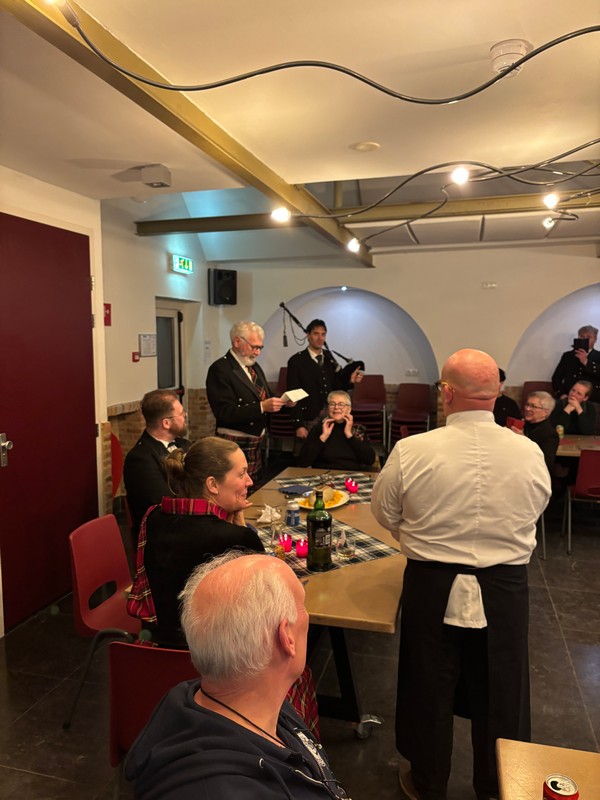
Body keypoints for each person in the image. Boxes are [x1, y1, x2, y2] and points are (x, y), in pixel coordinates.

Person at [371, 349, 551, 800]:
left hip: (432, 581)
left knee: (428, 683)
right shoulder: (528, 452)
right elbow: (536, 508)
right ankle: (496, 787)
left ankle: (428, 782)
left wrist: (418, 534)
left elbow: (385, 512)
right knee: (502, 687)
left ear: (447, 393)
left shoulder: (412, 450)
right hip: (505, 586)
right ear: (498, 393)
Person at [124, 552, 348, 799]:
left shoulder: (239, 700)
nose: (308, 616)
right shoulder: (218, 791)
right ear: (287, 637)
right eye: (302, 605)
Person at [127, 437, 264, 648]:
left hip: (155, 651)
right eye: (241, 474)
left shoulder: (152, 518)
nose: (249, 481)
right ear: (212, 484)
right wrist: (242, 529)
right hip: (216, 657)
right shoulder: (237, 538)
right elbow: (263, 606)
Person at [206, 321, 289, 480]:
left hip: (256, 441)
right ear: (237, 342)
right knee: (235, 486)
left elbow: (265, 396)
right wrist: (261, 407)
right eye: (254, 347)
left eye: (260, 348)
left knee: (254, 485)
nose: (257, 353)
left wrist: (284, 402)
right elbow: (224, 412)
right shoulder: (220, 369)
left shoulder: (254, 367)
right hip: (234, 441)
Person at [124, 389, 191, 541]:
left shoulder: (185, 445)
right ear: (166, 423)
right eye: (181, 414)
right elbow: (165, 507)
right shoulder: (140, 459)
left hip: (185, 523)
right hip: (162, 537)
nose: (185, 416)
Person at [286, 318, 363, 439]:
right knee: (309, 450)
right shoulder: (296, 361)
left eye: (323, 334)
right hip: (309, 416)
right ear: (308, 335)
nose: (320, 338)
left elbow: (337, 387)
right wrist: (298, 425)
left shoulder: (328, 357)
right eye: (316, 334)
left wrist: (351, 381)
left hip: (330, 416)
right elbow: (293, 395)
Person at [297, 390, 375, 470]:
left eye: (341, 404)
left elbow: (369, 460)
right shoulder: (318, 429)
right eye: (332, 404)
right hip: (323, 474)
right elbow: (303, 462)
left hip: (351, 474)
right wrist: (323, 437)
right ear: (328, 408)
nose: (336, 407)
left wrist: (349, 435)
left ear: (349, 409)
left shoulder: (358, 430)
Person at [510, 391, 558, 472]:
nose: (527, 409)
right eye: (527, 404)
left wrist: (524, 440)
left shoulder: (550, 434)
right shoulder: (522, 424)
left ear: (545, 412)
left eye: (533, 406)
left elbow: (546, 463)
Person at [552, 325, 600, 402]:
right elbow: (556, 378)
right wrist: (561, 394)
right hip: (568, 398)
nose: (585, 339)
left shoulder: (599, 356)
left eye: (589, 337)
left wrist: (586, 362)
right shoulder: (568, 356)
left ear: (595, 339)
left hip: (592, 400)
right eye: (582, 336)